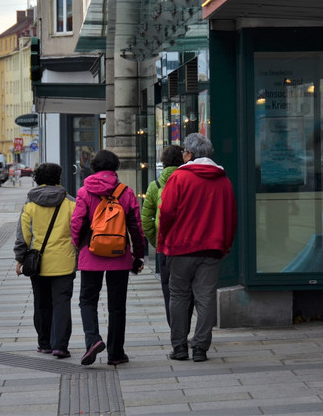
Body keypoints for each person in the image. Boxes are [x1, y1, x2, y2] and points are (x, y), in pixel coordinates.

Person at [158, 133, 237, 363]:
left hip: (181, 247)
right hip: (211, 248)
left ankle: (179, 347)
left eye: (184, 151)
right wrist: (227, 243)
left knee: (179, 296)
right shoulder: (223, 179)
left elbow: (167, 212)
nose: (183, 154)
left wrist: (165, 237)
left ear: (190, 154)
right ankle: (201, 347)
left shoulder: (179, 178)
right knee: (206, 297)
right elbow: (231, 216)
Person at [71, 150, 146, 367]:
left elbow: (76, 223)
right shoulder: (126, 192)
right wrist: (138, 255)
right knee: (117, 306)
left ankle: (93, 340)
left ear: (93, 167)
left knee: (87, 300)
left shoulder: (85, 191)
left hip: (91, 254)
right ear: (115, 168)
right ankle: (116, 353)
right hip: (119, 256)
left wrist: (80, 245)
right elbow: (136, 227)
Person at [13, 163, 77, 358]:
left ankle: (44, 343)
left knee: (41, 303)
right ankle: (60, 345)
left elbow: (23, 235)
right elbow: (78, 232)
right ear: (59, 179)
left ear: (37, 180)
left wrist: (20, 258)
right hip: (64, 262)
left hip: (38, 263)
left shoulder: (30, 204)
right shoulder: (71, 203)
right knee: (62, 303)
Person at [141, 144, 192, 325]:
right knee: (189, 288)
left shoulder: (154, 186)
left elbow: (146, 220)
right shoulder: (190, 181)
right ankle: (186, 324)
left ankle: (175, 329)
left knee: (168, 289)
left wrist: (157, 242)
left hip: (166, 246)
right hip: (189, 244)